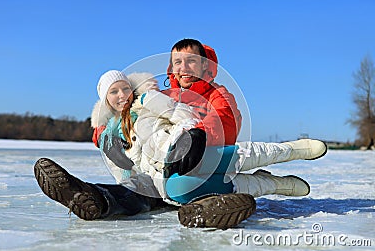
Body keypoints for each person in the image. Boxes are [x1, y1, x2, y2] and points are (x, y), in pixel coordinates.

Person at [34, 39, 327, 229]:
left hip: (206, 154)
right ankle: (95, 198)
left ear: (204, 66)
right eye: (177, 62)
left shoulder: (214, 94)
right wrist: (105, 133)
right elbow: (124, 123)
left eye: (190, 61)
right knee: (155, 190)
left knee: (223, 159)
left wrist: (191, 143)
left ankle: (291, 153)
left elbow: (223, 126)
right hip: (166, 172)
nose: (183, 67)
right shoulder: (155, 97)